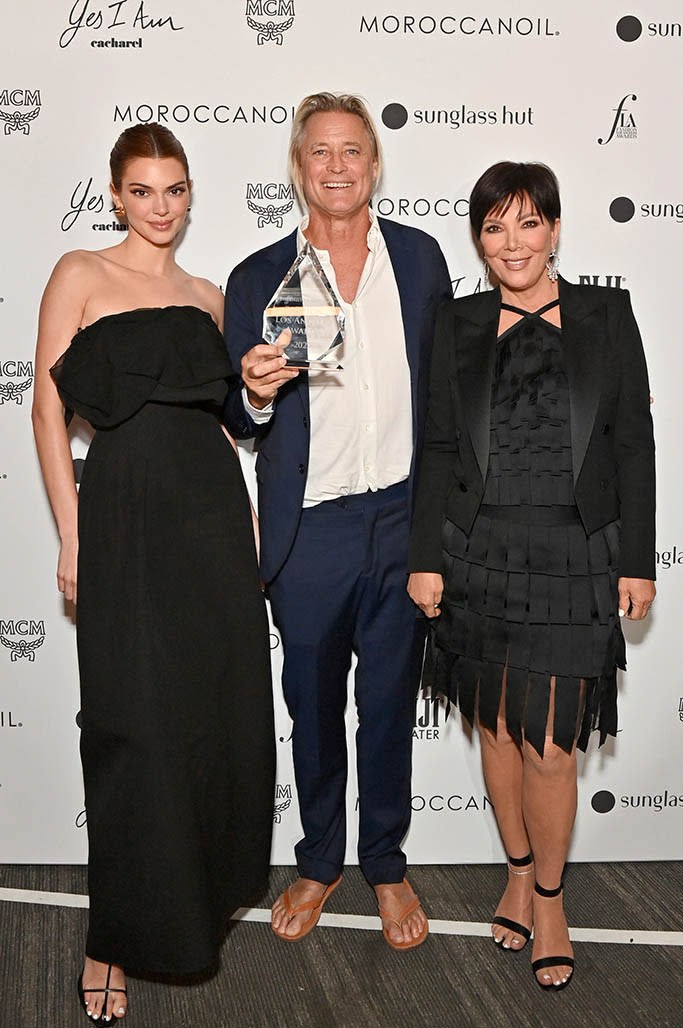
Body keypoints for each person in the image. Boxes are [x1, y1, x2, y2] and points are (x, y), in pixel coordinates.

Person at [32, 123, 275, 1023]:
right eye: (143, 191)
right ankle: (113, 937)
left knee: (214, 714)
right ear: (116, 196)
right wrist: (71, 531)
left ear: (189, 193)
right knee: (132, 723)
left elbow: (221, 422)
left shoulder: (210, 297)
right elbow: (46, 411)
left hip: (211, 517)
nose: (160, 207)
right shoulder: (79, 274)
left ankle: (190, 908)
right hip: (124, 514)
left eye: (175, 190)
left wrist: (249, 512)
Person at [408, 161, 655, 989]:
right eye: (491, 227)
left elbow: (632, 444)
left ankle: (548, 897)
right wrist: (424, 557)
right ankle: (515, 868)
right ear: (477, 239)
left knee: (551, 745)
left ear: (553, 228)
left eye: (525, 223)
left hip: (575, 556)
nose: (509, 243)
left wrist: (636, 560)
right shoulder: (458, 321)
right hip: (476, 553)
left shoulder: (605, 314)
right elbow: (437, 446)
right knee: (496, 730)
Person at [223, 93, 451, 948]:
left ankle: (385, 867)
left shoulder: (422, 261)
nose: (336, 166)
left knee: (388, 705)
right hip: (309, 531)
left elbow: (448, 397)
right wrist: (251, 390)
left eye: (351, 150)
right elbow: (241, 421)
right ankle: (319, 861)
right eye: (319, 152)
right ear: (298, 168)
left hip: (401, 519)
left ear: (373, 165)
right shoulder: (255, 279)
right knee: (313, 708)